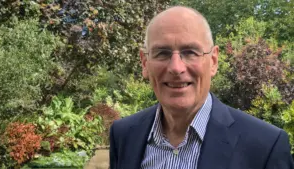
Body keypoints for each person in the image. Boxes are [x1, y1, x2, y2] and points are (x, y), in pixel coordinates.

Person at [109, 6, 294, 169]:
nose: (176, 67)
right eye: (162, 53)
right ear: (144, 63)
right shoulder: (124, 135)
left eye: (190, 52)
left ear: (213, 61)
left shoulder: (265, 146)